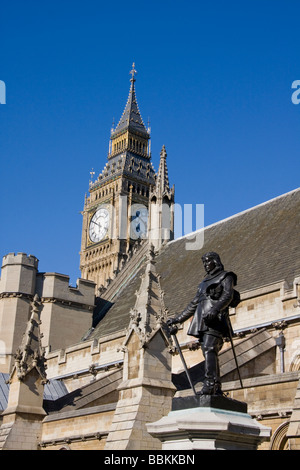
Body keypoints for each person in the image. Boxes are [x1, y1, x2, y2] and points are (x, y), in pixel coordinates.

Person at [167, 252, 239, 396]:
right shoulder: (203, 283)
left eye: (208, 262)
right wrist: (177, 319)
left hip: (216, 321)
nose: (206, 265)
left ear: (215, 261)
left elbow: (228, 295)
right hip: (202, 322)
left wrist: (215, 309)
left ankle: (209, 384)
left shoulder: (226, 276)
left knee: (209, 348)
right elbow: (194, 304)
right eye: (204, 263)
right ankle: (216, 386)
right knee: (207, 352)